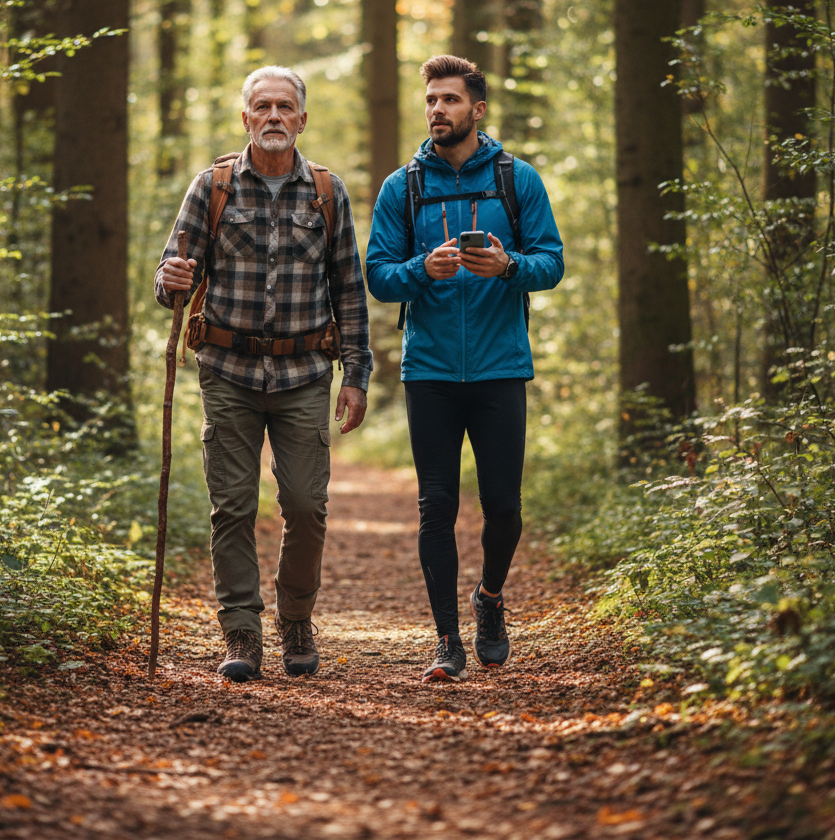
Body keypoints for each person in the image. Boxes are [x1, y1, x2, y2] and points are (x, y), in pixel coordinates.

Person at [155, 66, 372, 682]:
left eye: (285, 107)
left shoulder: (327, 193)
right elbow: (173, 274)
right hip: (227, 372)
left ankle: (296, 619)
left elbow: (349, 291)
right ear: (245, 117)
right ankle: (242, 633)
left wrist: (355, 373)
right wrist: (168, 280)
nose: (273, 116)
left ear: (302, 119)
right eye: (262, 107)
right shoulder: (212, 187)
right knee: (233, 507)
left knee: (306, 504)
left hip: (305, 373)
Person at [365, 55, 564, 683]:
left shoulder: (517, 179)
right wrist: (424, 270)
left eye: (449, 100)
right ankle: (446, 640)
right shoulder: (404, 187)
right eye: (430, 100)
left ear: (476, 110)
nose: (437, 111)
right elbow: (378, 276)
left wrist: (508, 267)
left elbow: (552, 263)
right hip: (429, 371)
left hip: (501, 365)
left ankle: (490, 599)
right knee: (436, 506)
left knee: (503, 507)